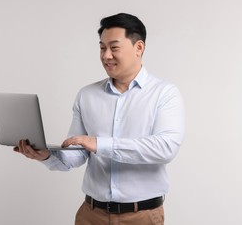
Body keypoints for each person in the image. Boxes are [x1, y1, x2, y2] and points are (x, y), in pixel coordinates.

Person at [14, 13, 185, 225]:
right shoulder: (87, 95)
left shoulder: (164, 93)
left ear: (139, 47)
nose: (106, 56)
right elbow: (76, 155)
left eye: (114, 48)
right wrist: (46, 156)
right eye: (102, 47)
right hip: (91, 214)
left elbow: (165, 148)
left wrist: (98, 143)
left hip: (141, 216)